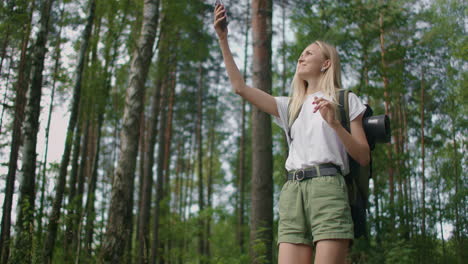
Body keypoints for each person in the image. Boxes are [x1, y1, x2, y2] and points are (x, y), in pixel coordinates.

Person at [214, 3, 370, 264]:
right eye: (301, 54)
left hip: (328, 188)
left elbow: (363, 156)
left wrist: (334, 124)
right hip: (292, 190)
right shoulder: (291, 106)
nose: (301, 57)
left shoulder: (345, 99)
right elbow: (239, 87)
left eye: (309, 53)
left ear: (326, 63)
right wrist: (222, 37)